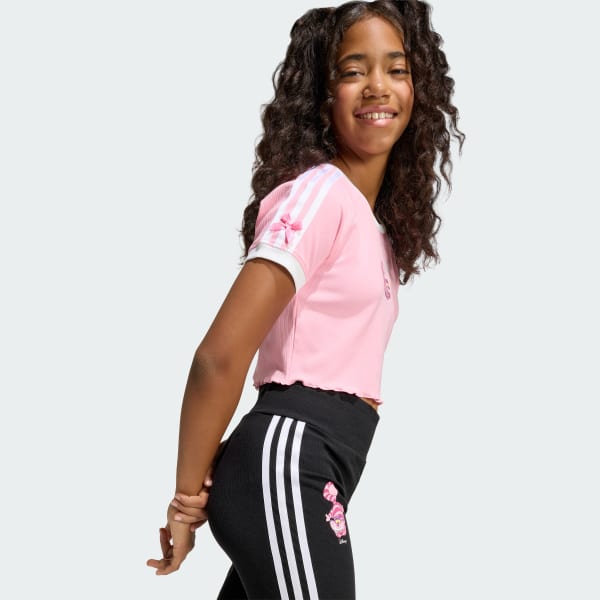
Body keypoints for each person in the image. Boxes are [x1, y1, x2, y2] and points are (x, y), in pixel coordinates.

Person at [147, 1, 464, 597]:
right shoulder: (320, 196)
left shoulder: (371, 226)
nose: (378, 86)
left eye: (397, 69)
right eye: (353, 71)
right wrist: (187, 501)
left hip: (317, 464)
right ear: (322, 96)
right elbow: (218, 356)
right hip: (293, 459)